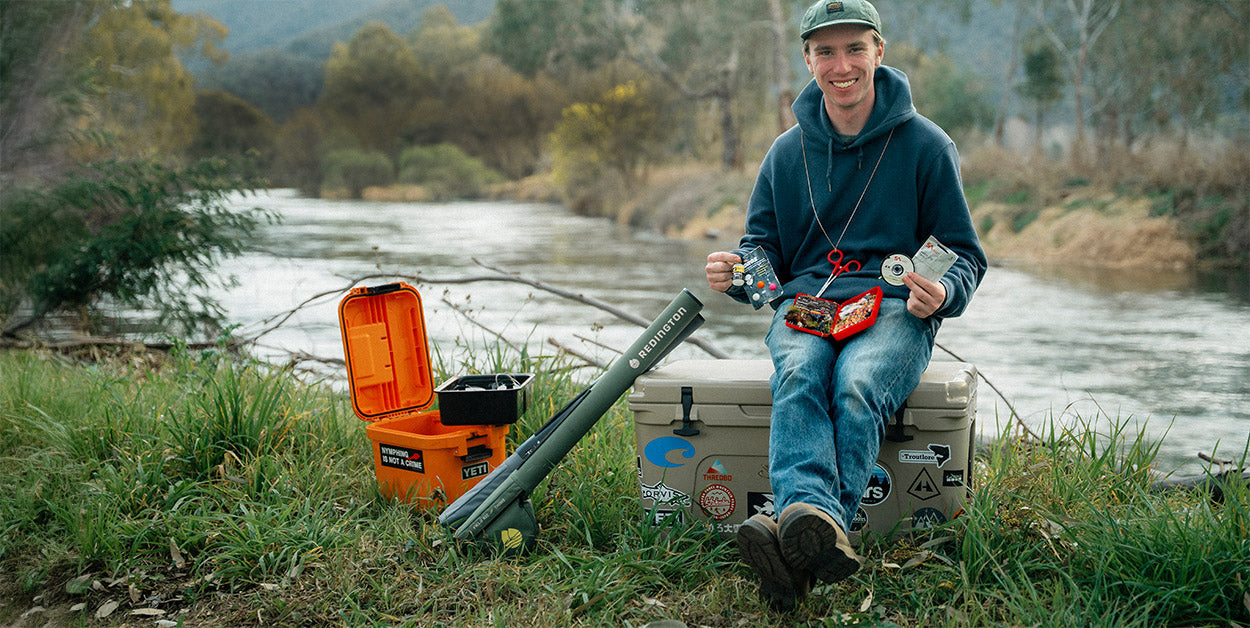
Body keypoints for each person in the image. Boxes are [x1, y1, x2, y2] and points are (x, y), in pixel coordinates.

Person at [704, 0, 987, 610]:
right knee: (802, 372)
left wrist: (942, 292)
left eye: (854, 48)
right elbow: (764, 248)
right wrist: (738, 271)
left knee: (858, 383)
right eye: (826, 52)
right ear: (808, 60)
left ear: (879, 52)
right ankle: (811, 540)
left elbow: (962, 253)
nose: (842, 65)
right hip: (807, 302)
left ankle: (792, 535)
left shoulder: (928, 145)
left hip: (892, 306)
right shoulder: (785, 152)